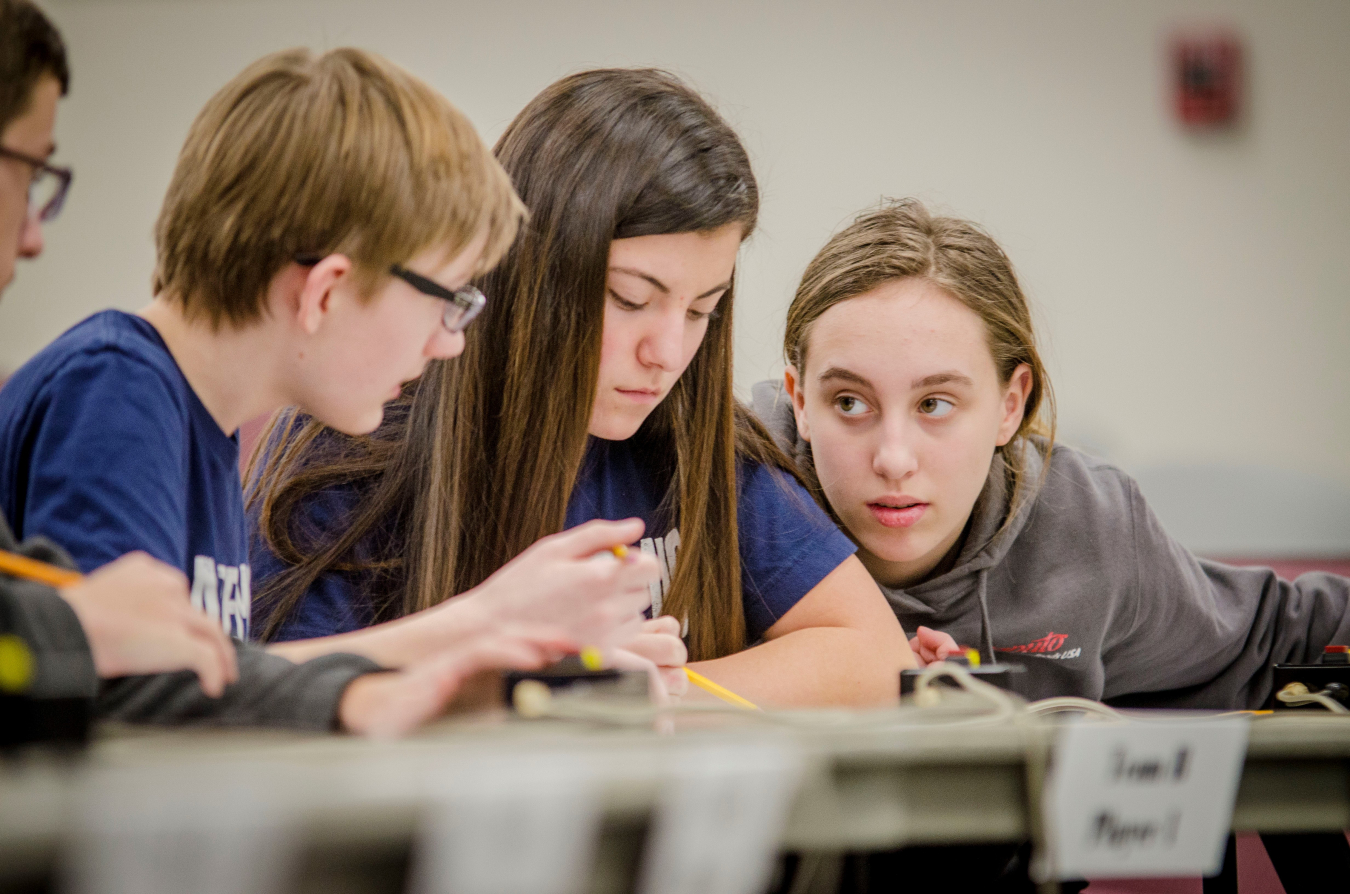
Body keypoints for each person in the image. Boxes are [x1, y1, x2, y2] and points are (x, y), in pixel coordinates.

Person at [0, 13, 646, 737]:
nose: (450, 345)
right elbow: (129, 698)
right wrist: (474, 627)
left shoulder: (187, 414)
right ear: (326, 291)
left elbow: (217, 684)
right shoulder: (116, 393)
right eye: (448, 300)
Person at [249, 69, 936, 708]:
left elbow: (872, 653)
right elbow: (266, 709)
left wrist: (649, 696)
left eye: (702, 310)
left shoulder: (697, 444)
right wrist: (552, 698)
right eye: (631, 299)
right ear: (529, 275)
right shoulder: (358, 430)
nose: (668, 354)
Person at [753, 196, 1350, 894]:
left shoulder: (1087, 526)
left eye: (935, 404)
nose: (893, 458)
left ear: (1011, 404)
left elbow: (1272, 636)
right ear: (798, 397)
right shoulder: (723, 504)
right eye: (849, 403)